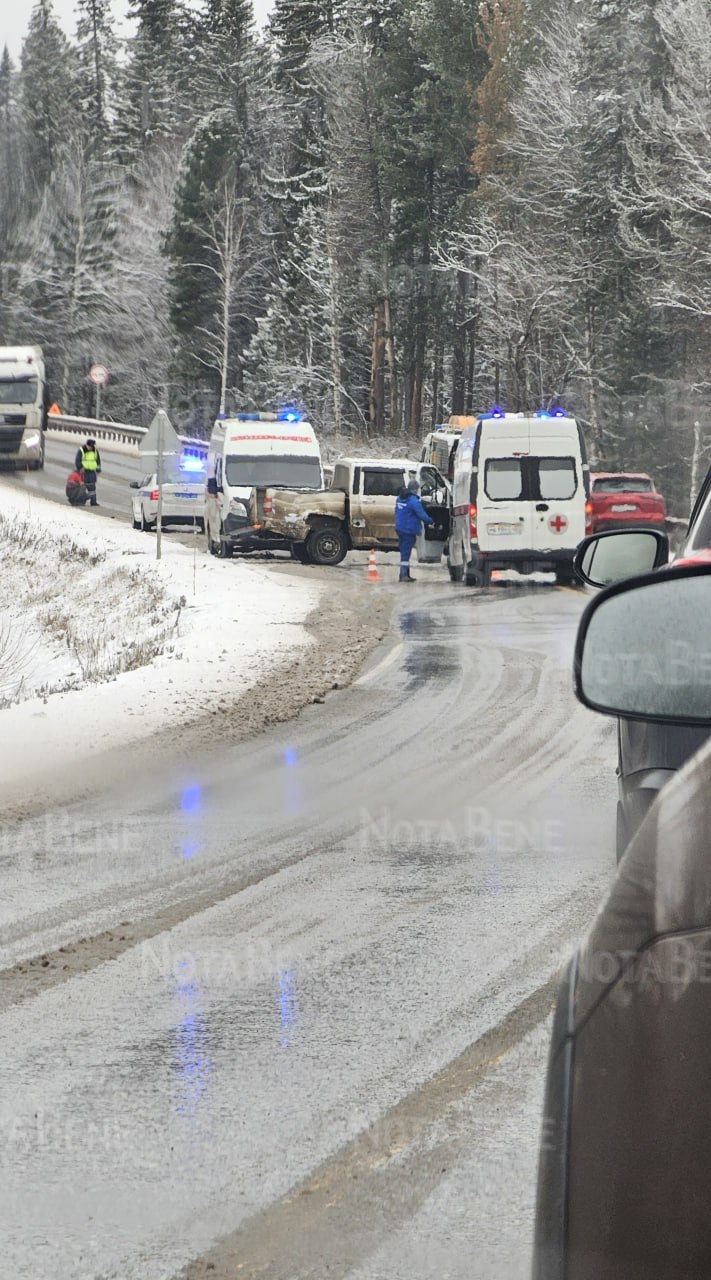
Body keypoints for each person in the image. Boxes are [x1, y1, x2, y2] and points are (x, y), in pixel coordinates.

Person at [394, 478, 434, 582]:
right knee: (406, 553)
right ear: (416, 489)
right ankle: (403, 575)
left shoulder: (399, 499)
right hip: (408, 530)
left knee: (404, 552)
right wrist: (431, 521)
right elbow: (422, 515)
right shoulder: (413, 501)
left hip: (399, 528)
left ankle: (405, 574)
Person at [75, 438, 102, 506]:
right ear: (87, 445)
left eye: (92, 446)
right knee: (82, 486)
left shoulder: (95, 451)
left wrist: (98, 470)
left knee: (92, 487)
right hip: (83, 471)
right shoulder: (81, 450)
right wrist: (80, 468)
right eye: (89, 446)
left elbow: (98, 461)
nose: (90, 448)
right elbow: (77, 460)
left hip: (92, 471)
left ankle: (93, 501)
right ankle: (80, 500)